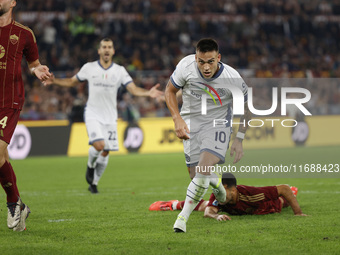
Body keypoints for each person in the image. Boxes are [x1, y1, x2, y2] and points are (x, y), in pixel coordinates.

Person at [44, 38, 163, 194]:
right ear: (99, 51)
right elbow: (72, 82)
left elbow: (133, 89)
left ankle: (94, 183)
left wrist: (148, 92)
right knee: (99, 145)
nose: (106, 50)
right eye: (104, 47)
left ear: (113, 51)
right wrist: (55, 81)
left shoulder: (119, 71)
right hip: (93, 113)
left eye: (109, 47)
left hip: (110, 116)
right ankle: (90, 165)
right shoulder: (89, 68)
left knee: (106, 151)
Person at [165, 38, 251, 232]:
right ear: (195, 58)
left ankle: (182, 220)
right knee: (196, 176)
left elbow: (246, 110)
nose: (205, 67)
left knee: (203, 168)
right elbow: (169, 91)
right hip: (190, 124)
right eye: (201, 61)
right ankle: (218, 187)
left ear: (218, 58)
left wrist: (239, 139)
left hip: (217, 125)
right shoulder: (185, 66)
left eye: (210, 61)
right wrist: (176, 119)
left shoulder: (232, 78)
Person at [0, 0, 52, 231]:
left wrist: (36, 69)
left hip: (8, 102)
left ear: (12, 3)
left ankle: (13, 203)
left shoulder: (24, 34)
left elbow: (33, 63)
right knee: (2, 159)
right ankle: (18, 204)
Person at [149, 173, 307, 220]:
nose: (218, 193)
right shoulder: (219, 194)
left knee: (281, 201)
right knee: (205, 205)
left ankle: (293, 193)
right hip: (236, 209)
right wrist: (216, 217)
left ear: (230, 189)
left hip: (266, 206)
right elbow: (208, 211)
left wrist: (298, 213)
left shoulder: (251, 193)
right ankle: (173, 204)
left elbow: (283, 188)